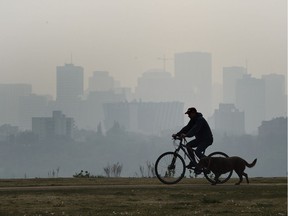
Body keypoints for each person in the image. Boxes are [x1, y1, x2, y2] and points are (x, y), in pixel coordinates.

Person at [172, 107, 213, 174]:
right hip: (200, 139)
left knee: (197, 152)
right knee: (188, 146)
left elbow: (195, 129)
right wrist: (177, 134)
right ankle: (193, 163)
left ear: (193, 113)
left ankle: (209, 162)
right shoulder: (193, 120)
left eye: (189, 114)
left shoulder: (200, 120)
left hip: (207, 139)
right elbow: (187, 128)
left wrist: (186, 135)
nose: (188, 116)